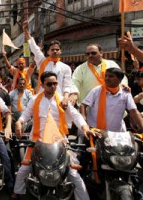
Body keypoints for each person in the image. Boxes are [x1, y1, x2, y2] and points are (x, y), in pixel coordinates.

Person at [11, 71, 96, 200]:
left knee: (73, 173)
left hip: (59, 141)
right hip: (37, 141)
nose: (53, 86)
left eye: (55, 83)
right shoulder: (35, 100)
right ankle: (17, 192)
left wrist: (85, 128)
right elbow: (25, 115)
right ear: (42, 85)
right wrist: (19, 122)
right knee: (24, 169)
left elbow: (76, 115)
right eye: (49, 84)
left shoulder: (63, 101)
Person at [23, 21, 71, 108]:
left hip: (59, 101)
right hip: (42, 100)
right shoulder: (42, 61)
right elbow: (34, 48)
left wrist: (66, 98)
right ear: (48, 52)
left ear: (61, 51)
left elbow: (67, 85)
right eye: (52, 49)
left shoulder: (66, 67)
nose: (55, 51)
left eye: (57, 49)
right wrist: (26, 32)